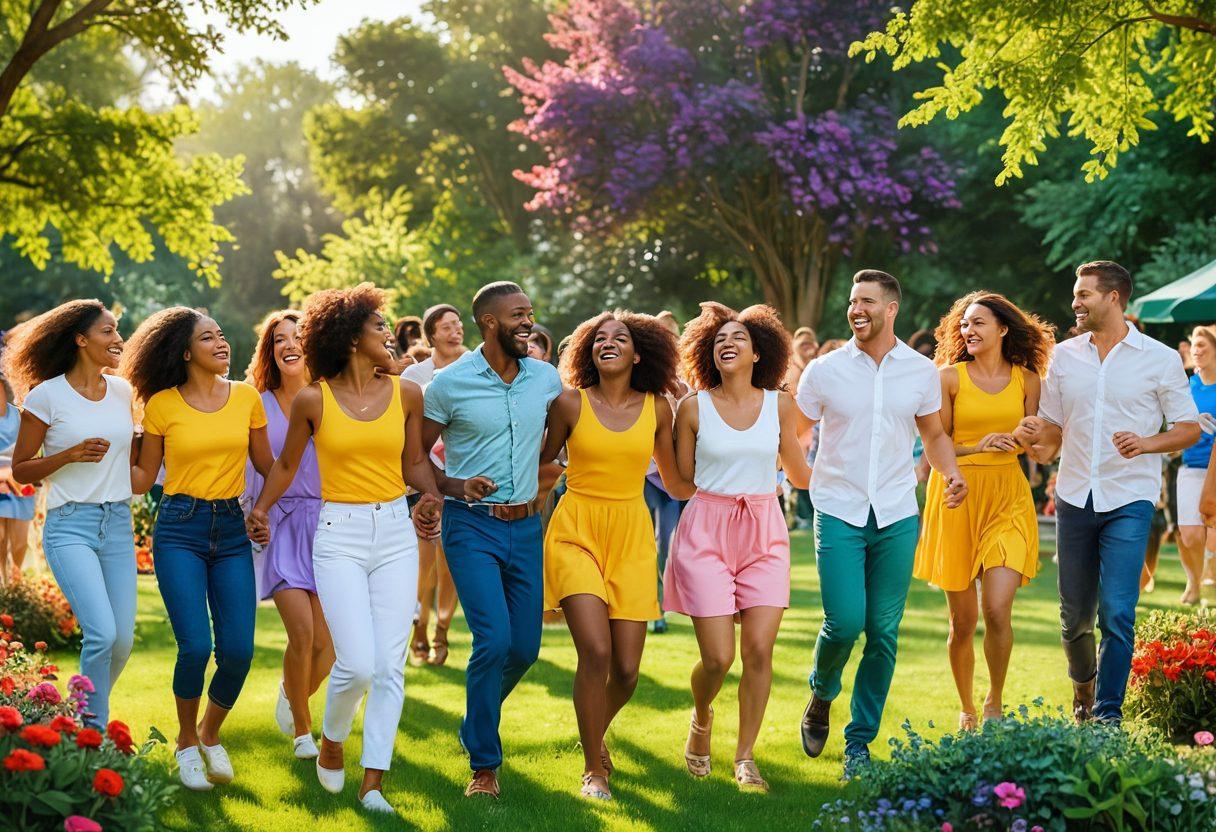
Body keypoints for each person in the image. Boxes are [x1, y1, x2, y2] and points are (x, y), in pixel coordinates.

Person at [247, 284, 450, 815]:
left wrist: (431, 495)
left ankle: (374, 783)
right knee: (356, 664)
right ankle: (332, 739)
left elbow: (414, 462)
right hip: (338, 533)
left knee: (389, 666)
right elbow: (286, 465)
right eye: (379, 325)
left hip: (396, 531)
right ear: (351, 337)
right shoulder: (314, 400)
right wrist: (262, 509)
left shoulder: (406, 394)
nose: (389, 333)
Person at [795, 270, 968, 777]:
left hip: (895, 512)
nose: (857, 309)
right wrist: (797, 476)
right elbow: (793, 429)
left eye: (867, 301)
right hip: (839, 509)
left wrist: (952, 473)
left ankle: (859, 743)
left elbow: (933, 435)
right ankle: (822, 693)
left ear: (891, 308)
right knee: (845, 622)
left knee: (883, 632)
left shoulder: (920, 371)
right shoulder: (824, 371)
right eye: (853, 301)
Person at [1016, 261, 1199, 724]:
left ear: (1113, 297)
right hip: (1075, 494)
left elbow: (1189, 428)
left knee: (1117, 611)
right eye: (1075, 294)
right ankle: (1084, 687)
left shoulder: (1159, 358)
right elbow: (1053, 429)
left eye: (1084, 295)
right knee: (1074, 616)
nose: (1074, 302)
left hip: (1129, 498)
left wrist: (1146, 443)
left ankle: (1107, 715)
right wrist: (1036, 438)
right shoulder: (1063, 357)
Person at [539, 310, 690, 801]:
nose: (608, 342)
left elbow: (676, 483)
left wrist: (734, 469)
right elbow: (541, 467)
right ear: (589, 352)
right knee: (597, 653)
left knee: (626, 672)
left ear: (638, 354)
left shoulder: (658, 409)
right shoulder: (569, 403)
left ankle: (593, 731)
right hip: (575, 531)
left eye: (620, 338)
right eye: (599, 338)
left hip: (631, 536)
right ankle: (593, 770)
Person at [421, 281, 563, 799]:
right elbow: (414, 457)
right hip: (471, 525)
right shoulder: (449, 384)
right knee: (493, 640)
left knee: (524, 648)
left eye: (530, 313)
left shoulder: (545, 378)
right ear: (489, 322)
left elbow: (563, 436)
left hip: (526, 527)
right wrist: (451, 486)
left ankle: (474, 720)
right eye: (518, 315)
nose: (528, 323)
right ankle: (484, 765)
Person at [124, 307, 274, 791]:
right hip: (179, 528)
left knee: (239, 651)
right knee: (195, 646)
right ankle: (187, 742)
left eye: (221, 335)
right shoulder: (162, 405)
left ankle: (210, 732)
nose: (220, 343)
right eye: (207, 338)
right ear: (186, 353)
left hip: (231, 528)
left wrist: (270, 506)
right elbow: (143, 478)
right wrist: (109, 448)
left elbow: (269, 465)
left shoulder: (246, 397)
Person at [666, 302, 811, 792]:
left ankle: (745, 757)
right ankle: (702, 715)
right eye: (719, 339)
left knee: (759, 650)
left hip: (764, 530)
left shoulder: (780, 405)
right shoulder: (693, 408)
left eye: (738, 338)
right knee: (718, 659)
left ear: (758, 352)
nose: (727, 344)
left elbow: (800, 474)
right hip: (706, 530)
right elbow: (682, 481)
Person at [913, 292, 1055, 730]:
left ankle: (994, 700)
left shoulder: (1028, 380)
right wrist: (978, 445)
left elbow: (1039, 448)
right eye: (964, 324)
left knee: (996, 609)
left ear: (1003, 329)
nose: (968, 330)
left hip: (1008, 495)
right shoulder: (948, 378)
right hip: (957, 494)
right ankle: (967, 708)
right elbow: (935, 445)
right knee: (963, 621)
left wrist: (1032, 433)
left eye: (978, 323)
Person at [5, 301, 135, 727]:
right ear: (81, 339)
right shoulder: (46, 396)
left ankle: (78, 717)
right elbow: (21, 469)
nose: (118, 339)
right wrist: (69, 454)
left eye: (117, 331)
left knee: (123, 642)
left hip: (118, 523)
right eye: (107, 331)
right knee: (102, 633)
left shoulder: (122, 392)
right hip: (70, 526)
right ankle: (93, 733)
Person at [242, 311, 334, 759]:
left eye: (298, 337)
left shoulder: (332, 397)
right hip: (280, 524)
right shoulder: (257, 403)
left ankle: (289, 691)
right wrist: (254, 515)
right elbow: (249, 468)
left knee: (328, 650)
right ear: (270, 350)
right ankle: (303, 731)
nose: (289, 344)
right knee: (302, 635)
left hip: (332, 526)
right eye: (280, 339)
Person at [403, 304, 468, 667]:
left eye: (458, 325)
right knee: (423, 564)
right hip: (424, 481)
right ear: (431, 335)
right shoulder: (415, 374)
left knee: (451, 567)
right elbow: (408, 429)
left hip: (462, 480)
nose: (455, 331)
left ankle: (442, 630)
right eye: (447, 327)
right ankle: (420, 628)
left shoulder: (475, 367)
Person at [1172, 325, 1216, 605]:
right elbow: (1173, 425)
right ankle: (1195, 578)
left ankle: (1208, 580)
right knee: (1189, 534)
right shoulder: (1187, 386)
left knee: (1212, 537)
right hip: (1191, 466)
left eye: (1202, 345)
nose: (1196, 350)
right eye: (1194, 345)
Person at [0, 378, 36, 581]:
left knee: (20, 540)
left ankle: (15, 579)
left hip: (20, 480)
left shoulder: (21, 415)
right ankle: (4, 582)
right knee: (1, 538)